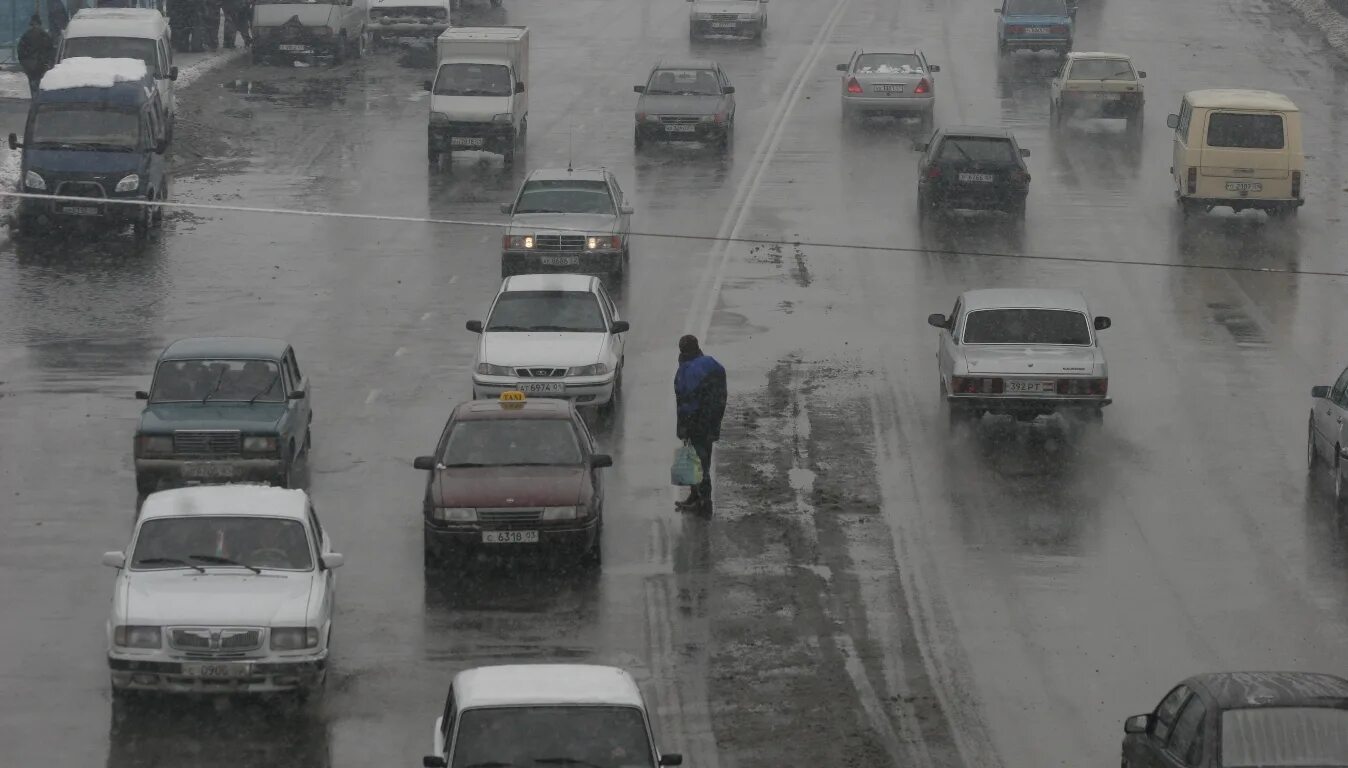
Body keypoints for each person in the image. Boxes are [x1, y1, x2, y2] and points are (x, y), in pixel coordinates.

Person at [673, 334, 726, 514]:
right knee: (703, 460)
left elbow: (685, 403)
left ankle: (704, 503)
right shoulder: (712, 364)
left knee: (698, 463)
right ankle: (696, 497)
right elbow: (721, 395)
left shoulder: (687, 371)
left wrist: (683, 429)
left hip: (696, 424)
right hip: (711, 422)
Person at [17, 16, 55, 97]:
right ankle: (39, 102)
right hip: (42, 66)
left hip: (31, 66)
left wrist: (25, 64)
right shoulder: (44, 35)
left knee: (34, 86)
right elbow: (51, 50)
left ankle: (35, 102)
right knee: (41, 86)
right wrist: (48, 63)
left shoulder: (26, 36)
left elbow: (20, 52)